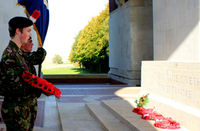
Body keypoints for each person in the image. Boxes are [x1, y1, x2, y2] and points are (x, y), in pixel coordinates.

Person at [0, 16, 46, 131]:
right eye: (28, 31)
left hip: (24, 109)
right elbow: (15, 88)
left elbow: (35, 59)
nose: (30, 34)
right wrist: (41, 87)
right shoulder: (10, 55)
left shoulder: (19, 53)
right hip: (16, 112)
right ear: (18, 31)